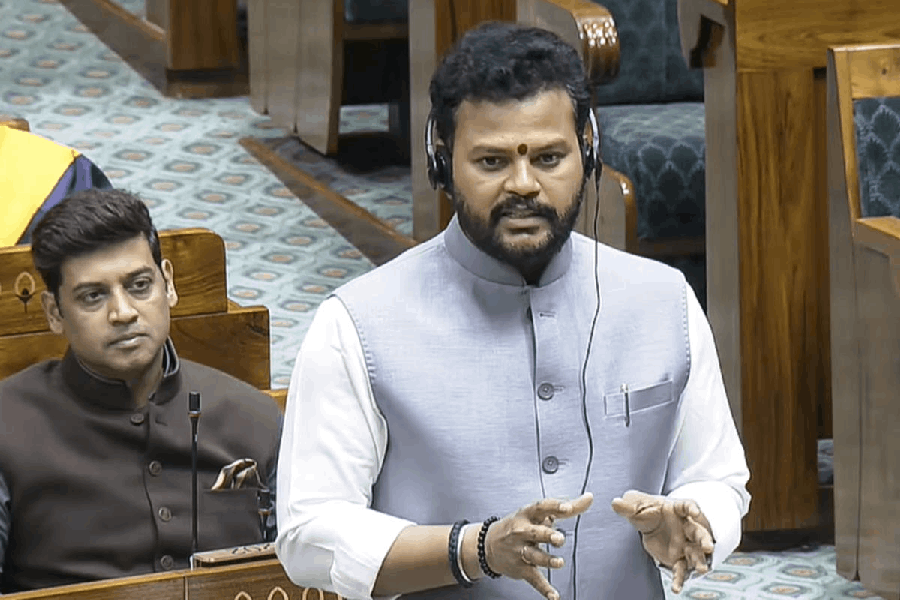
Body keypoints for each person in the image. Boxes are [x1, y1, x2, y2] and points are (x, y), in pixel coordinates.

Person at [275, 22, 750, 600]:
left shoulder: (665, 299)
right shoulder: (356, 323)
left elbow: (720, 475)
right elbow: (308, 532)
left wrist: (696, 518)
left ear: (589, 148)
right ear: (441, 161)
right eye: (492, 161)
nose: (524, 185)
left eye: (549, 157)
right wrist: (473, 550)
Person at [0, 189, 283, 593]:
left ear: (168, 284)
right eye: (93, 296)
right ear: (54, 313)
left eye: (139, 285)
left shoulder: (254, 418)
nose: (124, 312)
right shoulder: (6, 425)